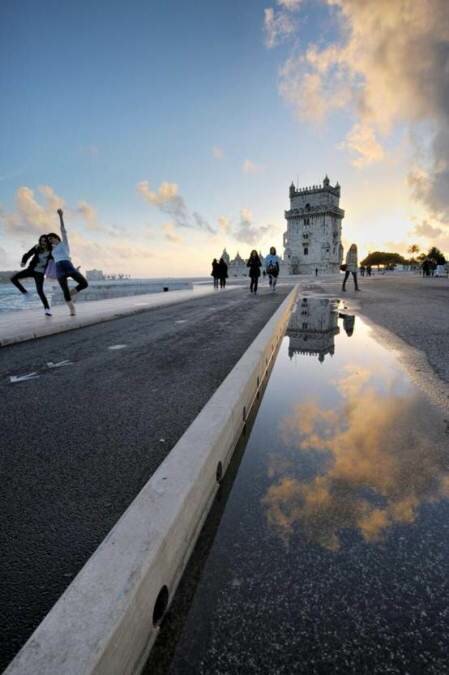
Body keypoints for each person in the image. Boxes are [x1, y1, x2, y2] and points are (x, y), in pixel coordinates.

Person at [47, 209, 88, 316]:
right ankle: (72, 309)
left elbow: (63, 230)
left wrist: (60, 216)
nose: (50, 241)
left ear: (56, 237)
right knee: (64, 290)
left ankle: (72, 292)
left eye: (51, 238)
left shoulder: (64, 242)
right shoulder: (51, 249)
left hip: (68, 265)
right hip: (59, 268)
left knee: (84, 283)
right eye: (49, 240)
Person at [10, 235, 53, 315]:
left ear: (47, 242)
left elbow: (57, 260)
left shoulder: (51, 250)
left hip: (40, 273)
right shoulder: (37, 247)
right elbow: (27, 254)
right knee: (13, 278)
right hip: (31, 269)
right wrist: (23, 262)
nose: (42, 242)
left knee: (40, 291)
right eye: (41, 240)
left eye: (44, 241)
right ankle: (26, 293)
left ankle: (47, 309)